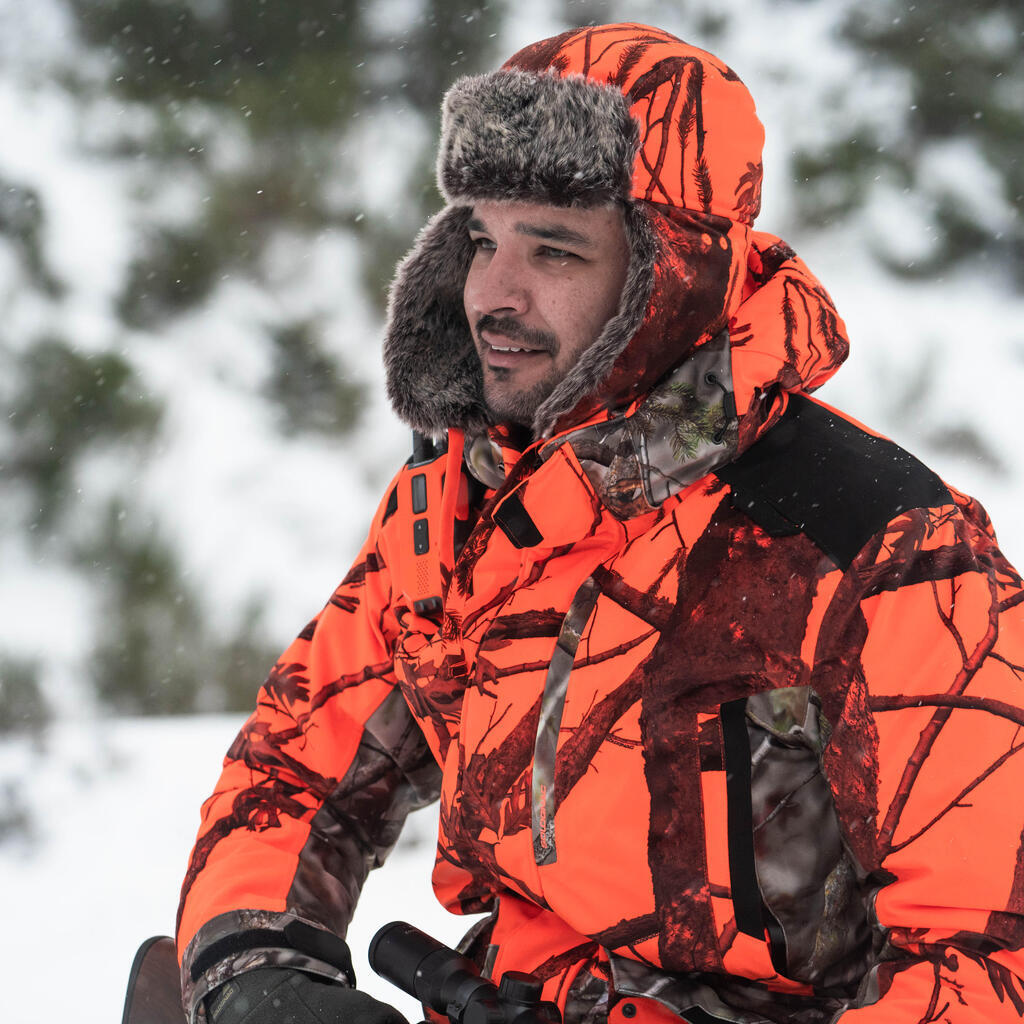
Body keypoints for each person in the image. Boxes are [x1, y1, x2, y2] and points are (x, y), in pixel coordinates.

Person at [175, 22, 1024, 1024]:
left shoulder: (881, 550)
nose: (494, 291)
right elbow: (296, 767)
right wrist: (264, 974)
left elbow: (987, 964)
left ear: (669, 276)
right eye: (482, 237)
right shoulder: (461, 501)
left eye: (555, 248)